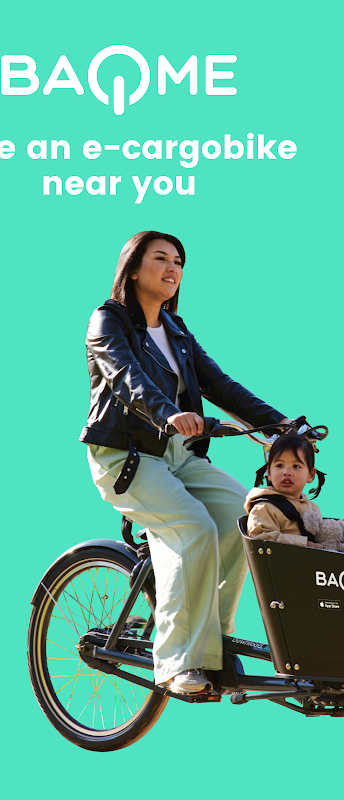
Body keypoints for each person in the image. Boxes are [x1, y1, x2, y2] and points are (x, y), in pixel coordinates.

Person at [80, 230, 290, 694]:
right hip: (127, 455)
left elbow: (220, 385)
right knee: (192, 527)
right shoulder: (108, 320)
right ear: (133, 268)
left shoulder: (176, 330)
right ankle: (179, 664)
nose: (172, 268)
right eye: (161, 258)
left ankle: (213, 646)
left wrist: (280, 424)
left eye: (178, 261)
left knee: (244, 518)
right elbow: (125, 376)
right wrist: (169, 414)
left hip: (179, 454)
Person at [245, 434, 324, 549]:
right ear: (269, 473)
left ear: (311, 475)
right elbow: (261, 539)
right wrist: (304, 544)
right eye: (280, 465)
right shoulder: (264, 508)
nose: (286, 472)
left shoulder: (313, 508)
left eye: (296, 466)